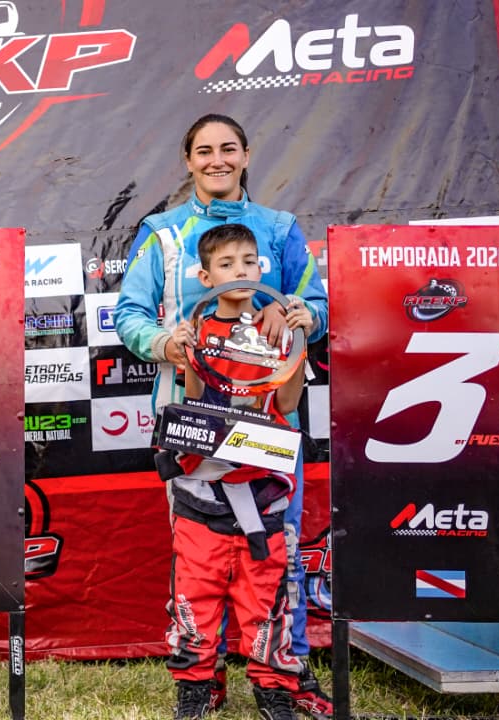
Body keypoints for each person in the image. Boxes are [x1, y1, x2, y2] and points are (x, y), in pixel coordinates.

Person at [114, 113, 332, 718]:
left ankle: (285, 676)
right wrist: (166, 344)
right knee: (197, 561)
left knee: (277, 556)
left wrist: (296, 313)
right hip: (192, 423)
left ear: (246, 155)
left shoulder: (279, 228)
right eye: (204, 150)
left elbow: (317, 305)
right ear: (188, 162)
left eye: (228, 148)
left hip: (271, 421)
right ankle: (201, 678)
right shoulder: (163, 233)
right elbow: (129, 313)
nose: (217, 160)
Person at [164, 224, 311, 720]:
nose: (240, 271)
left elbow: (285, 404)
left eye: (248, 261)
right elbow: (195, 400)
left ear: (261, 268)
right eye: (227, 264)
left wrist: (297, 347)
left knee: (265, 595)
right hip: (204, 487)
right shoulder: (198, 330)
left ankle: (273, 689)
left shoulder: (277, 330)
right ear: (206, 277)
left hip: (263, 484)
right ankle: (196, 687)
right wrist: (187, 354)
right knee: (195, 592)